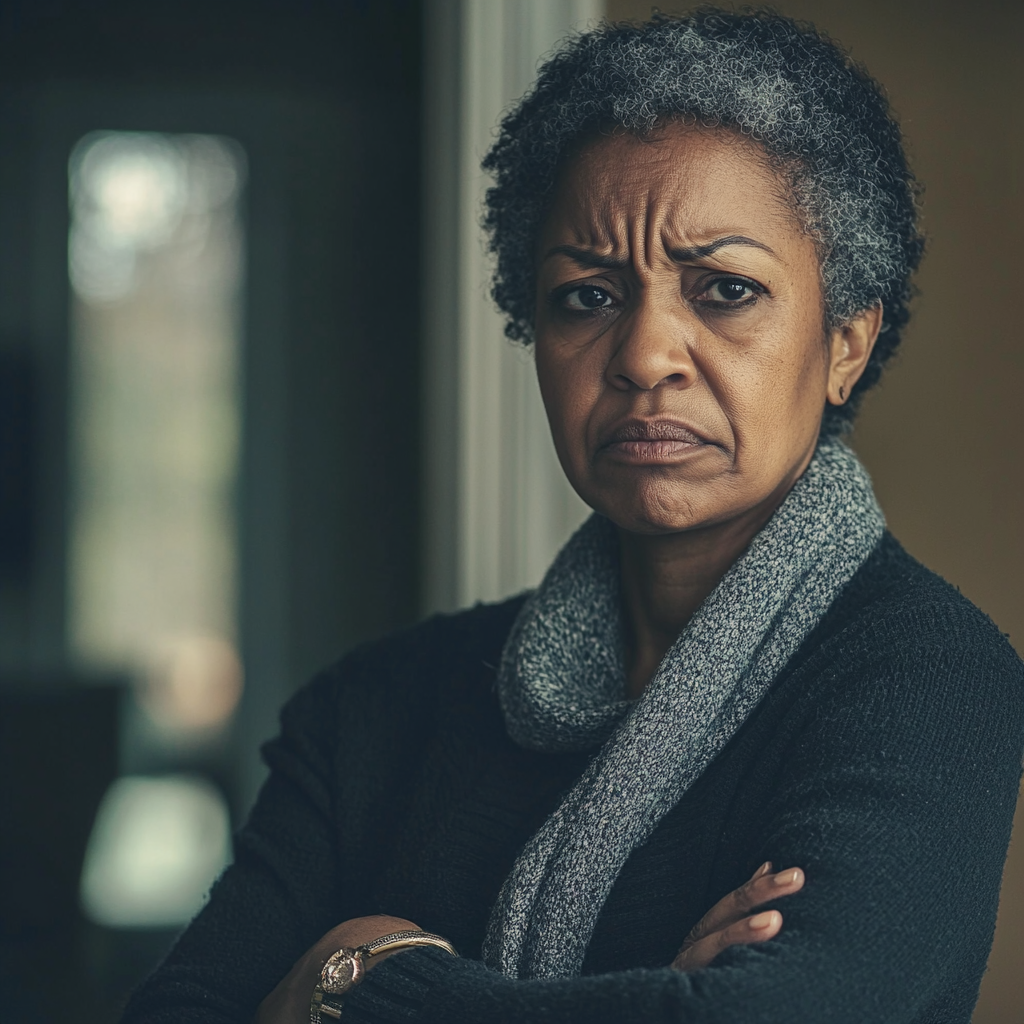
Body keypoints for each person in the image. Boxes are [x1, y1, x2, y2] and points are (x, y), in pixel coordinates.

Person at [123, 10, 1024, 1024]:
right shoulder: (367, 714)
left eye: (724, 290)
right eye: (586, 296)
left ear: (845, 343)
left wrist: (358, 972)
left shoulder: (926, 681)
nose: (643, 355)